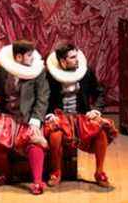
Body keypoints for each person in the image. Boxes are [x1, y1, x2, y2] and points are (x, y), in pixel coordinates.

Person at [44, 42, 117, 188]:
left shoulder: (85, 71)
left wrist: (95, 109)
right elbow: (42, 97)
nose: (77, 60)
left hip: (81, 115)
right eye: (72, 58)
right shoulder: (50, 75)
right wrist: (49, 114)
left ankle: (99, 171)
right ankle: (56, 171)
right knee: (55, 135)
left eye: (76, 56)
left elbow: (100, 92)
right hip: (60, 116)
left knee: (100, 132)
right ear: (63, 62)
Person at [0, 40, 49, 194]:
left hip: (28, 116)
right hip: (7, 115)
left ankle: (37, 181)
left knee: (34, 141)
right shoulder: (2, 70)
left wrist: (36, 120)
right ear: (19, 57)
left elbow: (43, 98)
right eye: (29, 55)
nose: (33, 58)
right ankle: (7, 175)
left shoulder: (38, 72)